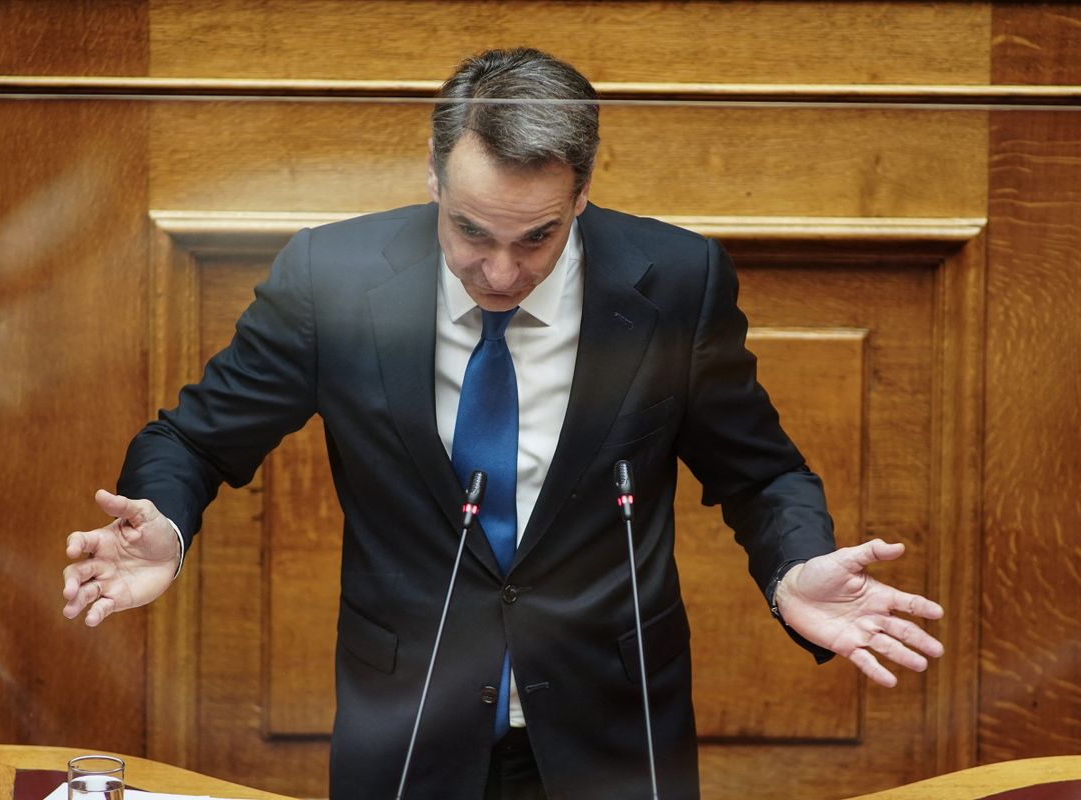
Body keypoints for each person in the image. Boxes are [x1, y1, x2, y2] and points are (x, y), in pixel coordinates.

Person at [61, 48, 943, 800]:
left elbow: (760, 473)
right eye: (472, 232)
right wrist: (164, 522)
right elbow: (195, 438)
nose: (500, 272)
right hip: (407, 725)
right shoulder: (331, 278)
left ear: (584, 193)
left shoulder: (675, 281)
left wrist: (794, 563)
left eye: (537, 239)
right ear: (434, 176)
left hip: (612, 728)